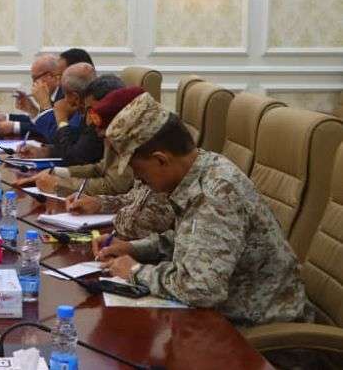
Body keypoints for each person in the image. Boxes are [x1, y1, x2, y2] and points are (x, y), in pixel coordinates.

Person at [95, 93, 310, 327]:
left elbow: (202, 289)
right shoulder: (202, 168)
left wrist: (135, 271)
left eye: (139, 170)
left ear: (161, 160)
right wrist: (134, 248)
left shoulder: (217, 193)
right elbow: (192, 240)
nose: (138, 179)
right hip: (221, 317)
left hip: (257, 331)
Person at [63, 86, 175, 240]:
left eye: (107, 135)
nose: (105, 142)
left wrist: (59, 184)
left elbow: (138, 225)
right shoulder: (148, 154)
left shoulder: (153, 162)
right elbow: (134, 197)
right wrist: (99, 203)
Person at [0, 48, 94, 140]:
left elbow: (57, 135)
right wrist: (32, 110)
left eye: (59, 75)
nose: (58, 80)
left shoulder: (75, 99)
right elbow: (52, 126)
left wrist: (45, 105)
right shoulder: (63, 93)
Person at [18, 63, 99, 164]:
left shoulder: (94, 115)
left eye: (58, 75)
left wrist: (58, 116)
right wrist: (46, 152)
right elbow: (76, 146)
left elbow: (73, 155)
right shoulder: (84, 107)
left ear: (76, 97)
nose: (57, 79)